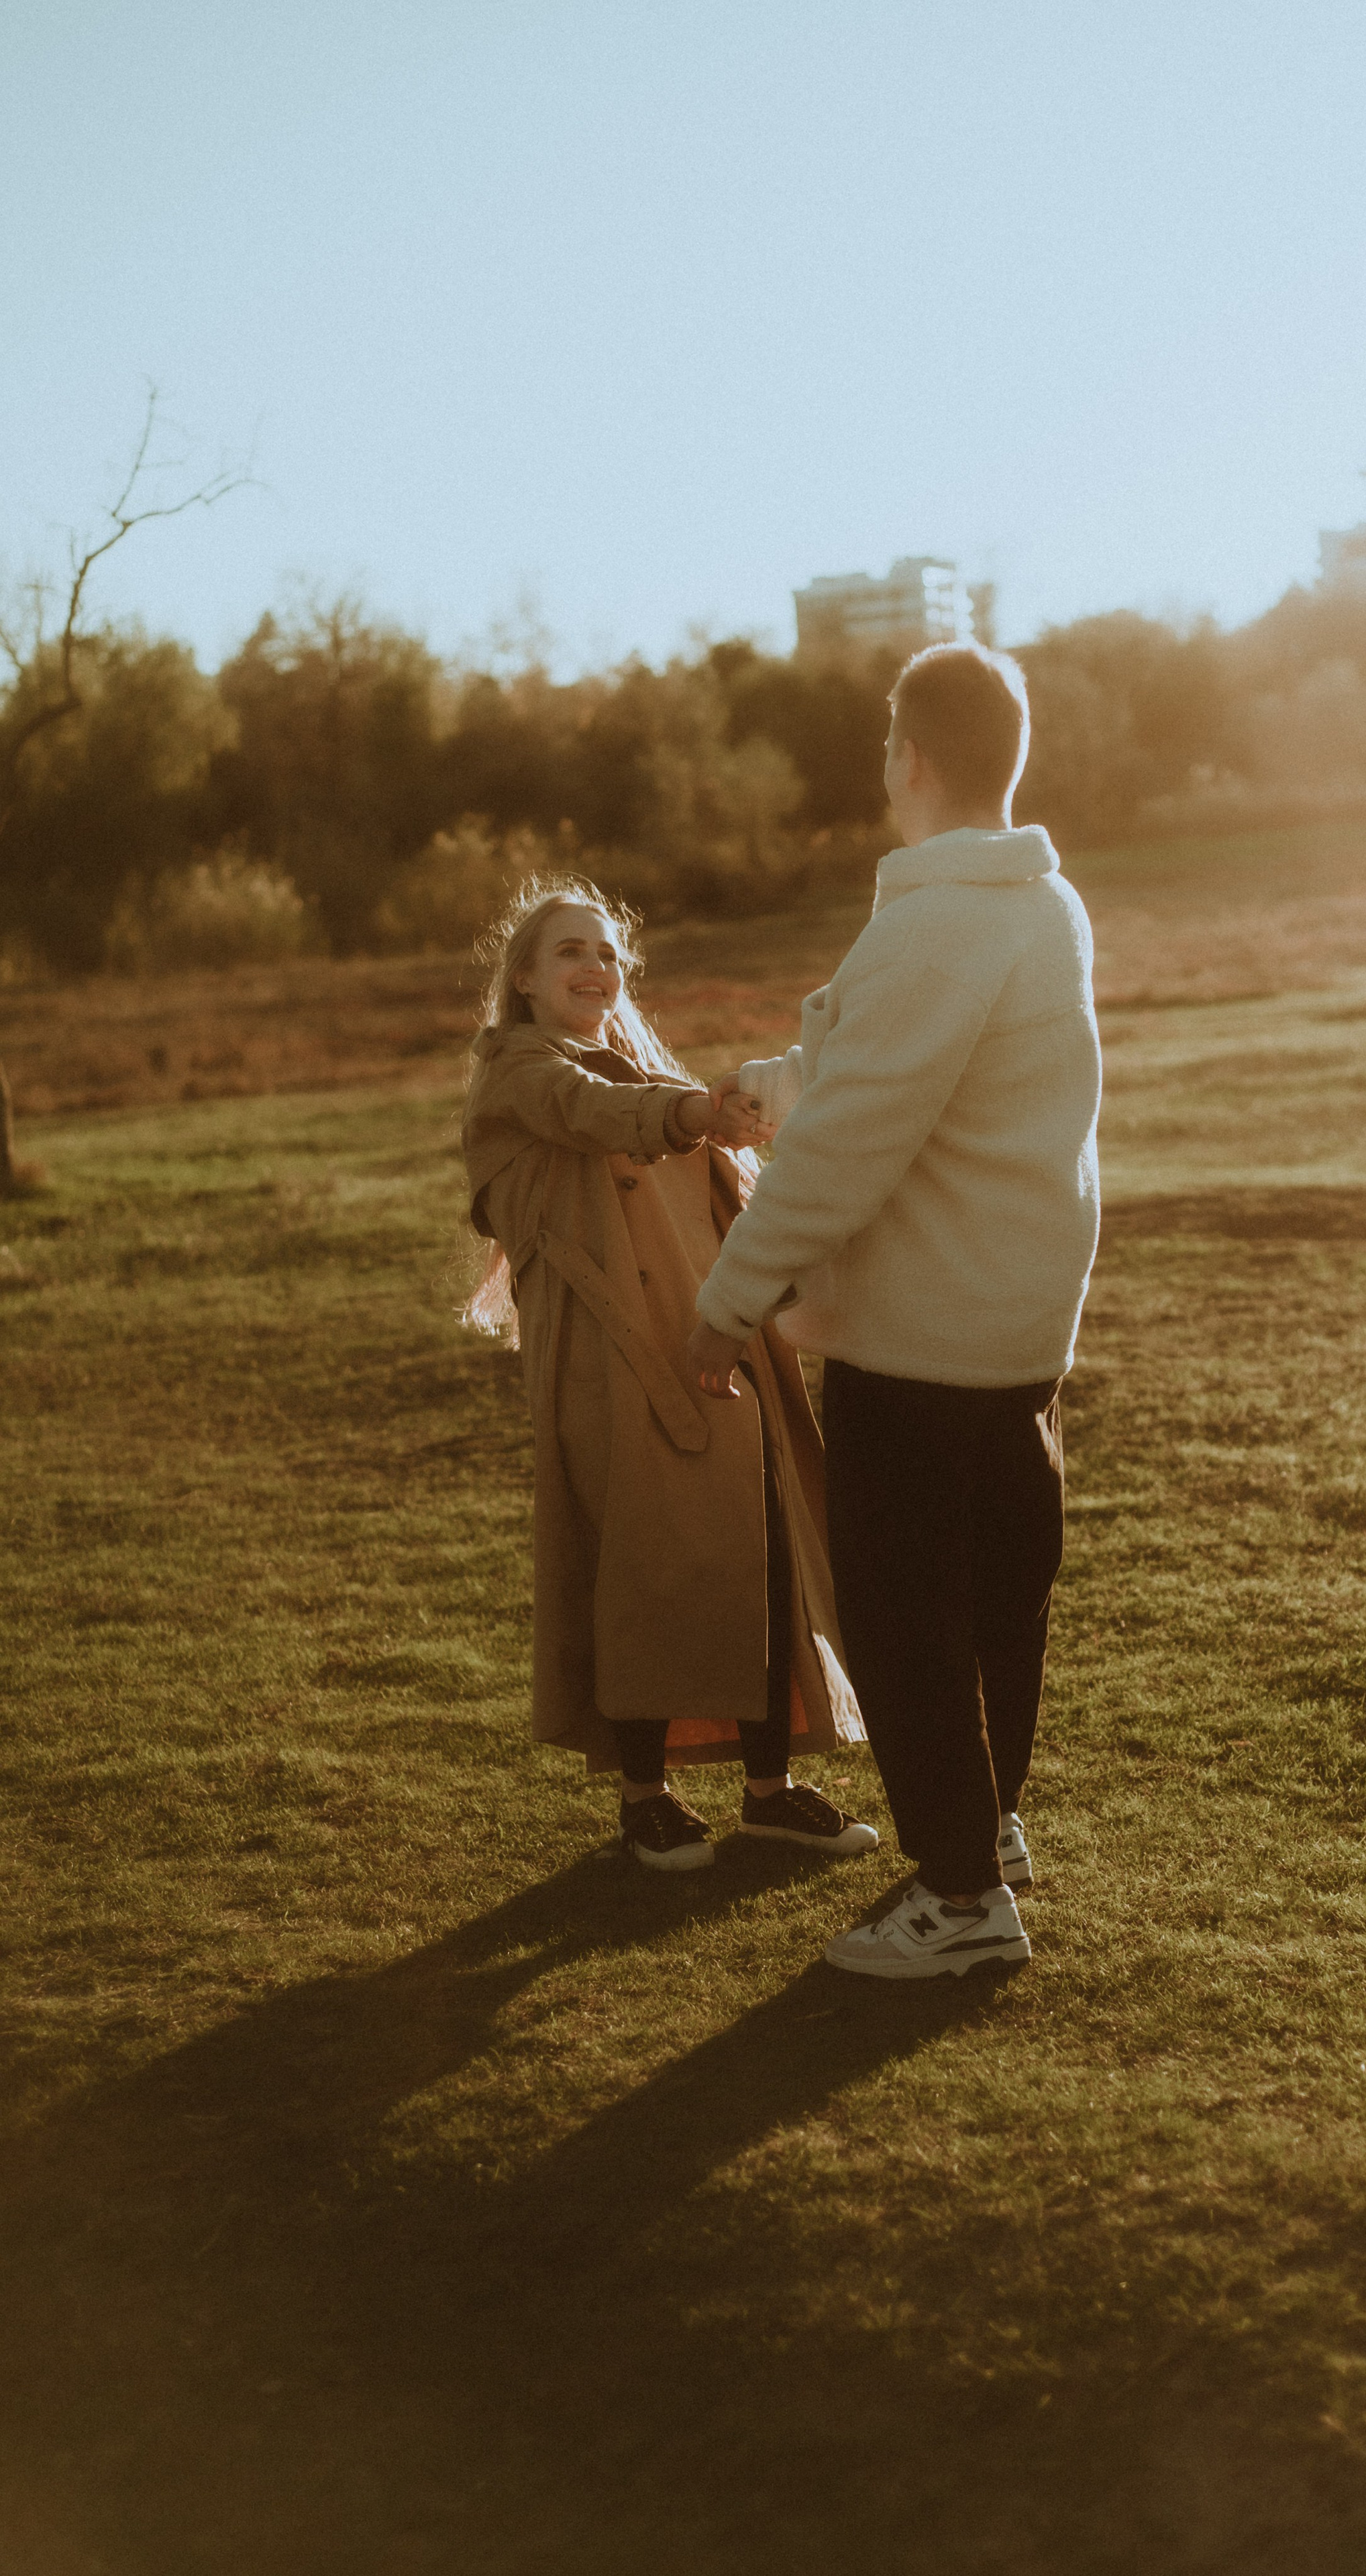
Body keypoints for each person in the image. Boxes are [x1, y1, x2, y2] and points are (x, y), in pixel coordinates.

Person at [688, 644, 1101, 1977]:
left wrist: (726, 1300)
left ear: (906, 757)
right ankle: (990, 1829)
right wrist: (777, 1080)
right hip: (1016, 1332)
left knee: (904, 1615)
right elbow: (903, 1069)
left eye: (883, 743)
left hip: (920, 1338)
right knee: (997, 1600)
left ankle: (961, 1898)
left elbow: (858, 1136)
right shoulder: (1039, 907)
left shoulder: (936, 919)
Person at [461, 877, 876, 1872]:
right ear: (521, 978)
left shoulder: (641, 1062)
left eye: (609, 954)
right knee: (640, 1558)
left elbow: (697, 1179)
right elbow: (593, 1113)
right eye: (571, 952)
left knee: (766, 1545)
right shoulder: (515, 1070)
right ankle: (645, 1795)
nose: (597, 969)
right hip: (609, 1353)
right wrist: (697, 1109)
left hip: (712, 1342)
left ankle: (769, 1790)